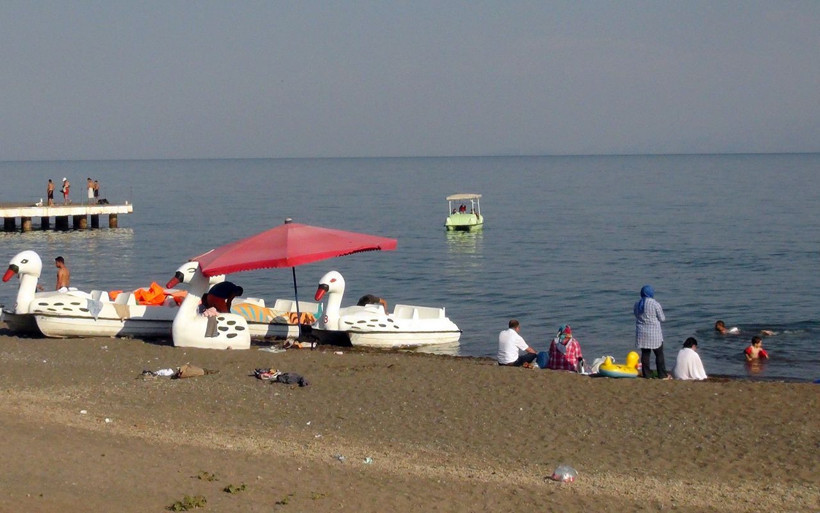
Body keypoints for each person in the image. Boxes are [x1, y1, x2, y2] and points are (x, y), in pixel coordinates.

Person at [634, 284, 670, 379]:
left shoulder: (637, 304)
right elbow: (662, 318)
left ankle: (647, 374)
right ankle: (662, 374)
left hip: (642, 333)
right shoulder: (655, 304)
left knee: (645, 354)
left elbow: (636, 315)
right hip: (654, 333)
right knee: (659, 354)